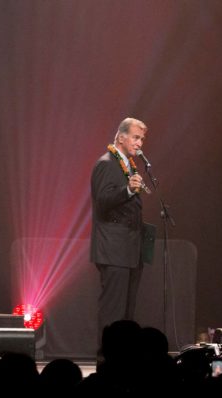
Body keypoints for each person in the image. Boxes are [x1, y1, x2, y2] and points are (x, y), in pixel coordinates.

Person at [90, 117, 149, 344]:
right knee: (112, 312)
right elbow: (102, 201)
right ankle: (106, 359)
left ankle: (124, 358)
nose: (139, 143)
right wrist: (128, 190)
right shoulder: (106, 163)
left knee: (126, 314)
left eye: (142, 139)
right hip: (113, 249)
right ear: (121, 137)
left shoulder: (128, 164)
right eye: (136, 137)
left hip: (130, 249)